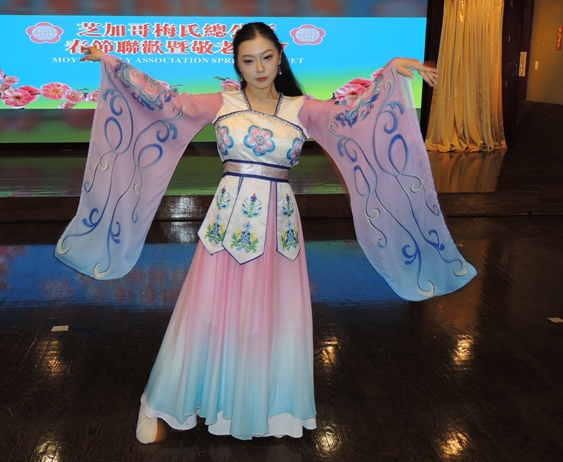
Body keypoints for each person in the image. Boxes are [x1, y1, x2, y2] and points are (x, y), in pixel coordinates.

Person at [55, 22, 477, 443]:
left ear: (280, 58)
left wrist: (390, 72)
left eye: (267, 57)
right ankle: (159, 403)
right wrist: (112, 63)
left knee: (274, 316)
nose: (259, 68)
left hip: (279, 229)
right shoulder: (222, 102)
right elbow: (162, 101)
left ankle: (270, 409)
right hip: (226, 229)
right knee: (204, 314)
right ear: (237, 65)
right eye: (248, 60)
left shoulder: (303, 108)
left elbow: (353, 114)